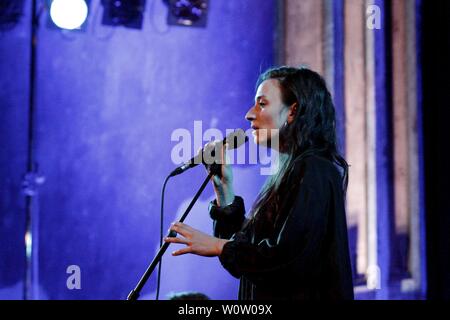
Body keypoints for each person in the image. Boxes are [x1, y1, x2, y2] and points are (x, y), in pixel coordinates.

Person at [164, 66, 354, 300]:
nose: (249, 114)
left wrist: (218, 246)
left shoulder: (313, 169)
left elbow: (287, 258)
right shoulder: (289, 172)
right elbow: (251, 255)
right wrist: (224, 191)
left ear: (293, 111)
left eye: (262, 104)